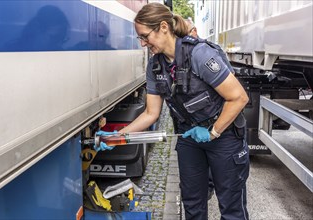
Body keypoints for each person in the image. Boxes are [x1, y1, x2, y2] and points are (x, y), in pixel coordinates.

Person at [96, 3, 250, 220]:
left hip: (224, 136)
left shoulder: (200, 54)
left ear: (163, 27)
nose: (142, 43)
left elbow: (238, 97)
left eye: (145, 36)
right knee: (193, 204)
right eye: (139, 38)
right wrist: (119, 136)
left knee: (231, 208)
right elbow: (151, 113)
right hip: (189, 137)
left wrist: (213, 132)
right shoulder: (155, 66)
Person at [184, 17, 215, 201]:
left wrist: (216, 129)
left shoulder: (207, 52)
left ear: (194, 31)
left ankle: (209, 186)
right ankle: (204, 188)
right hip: (194, 124)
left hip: (214, 121)